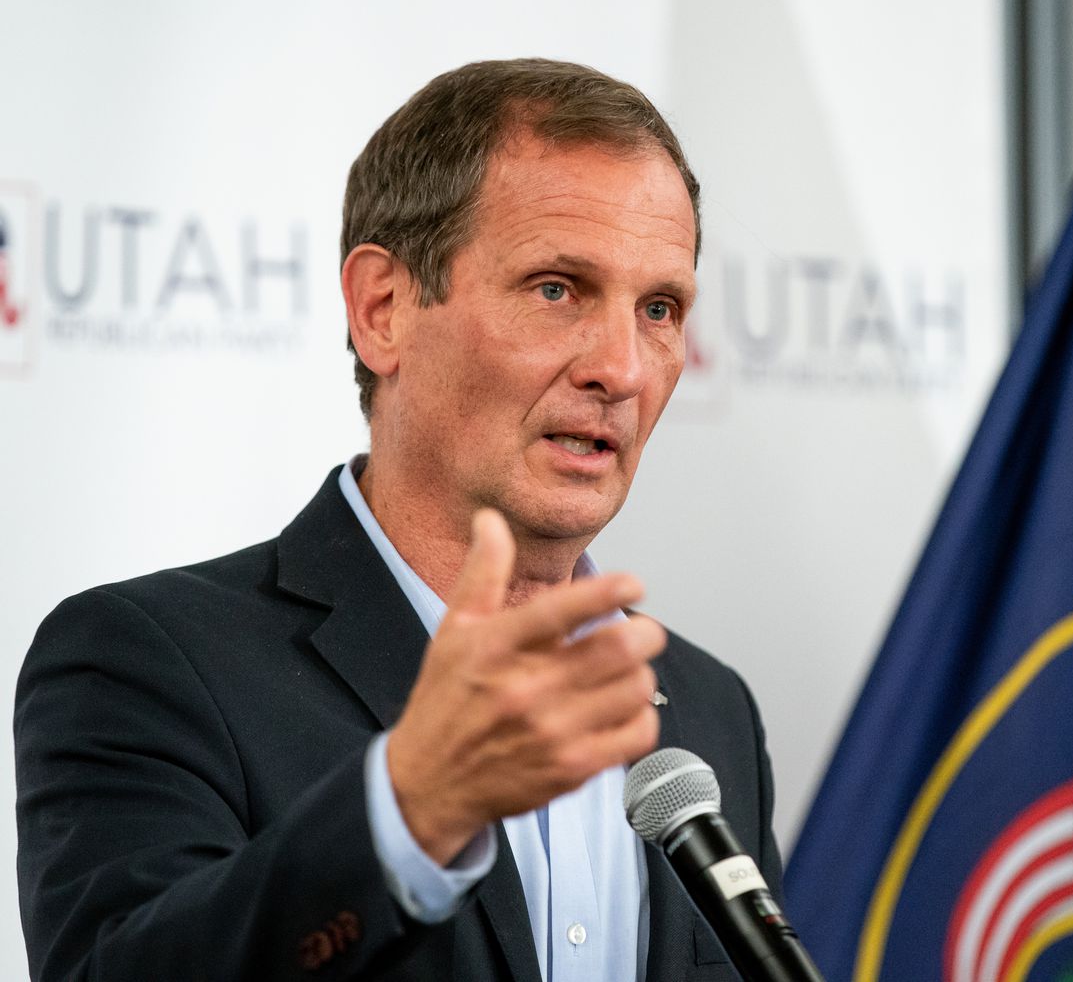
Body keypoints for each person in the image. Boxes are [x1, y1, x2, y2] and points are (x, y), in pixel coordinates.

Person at [15, 59, 781, 981]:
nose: (621, 367)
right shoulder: (148, 662)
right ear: (383, 308)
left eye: (659, 308)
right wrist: (410, 812)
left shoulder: (705, 706)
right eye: (556, 289)